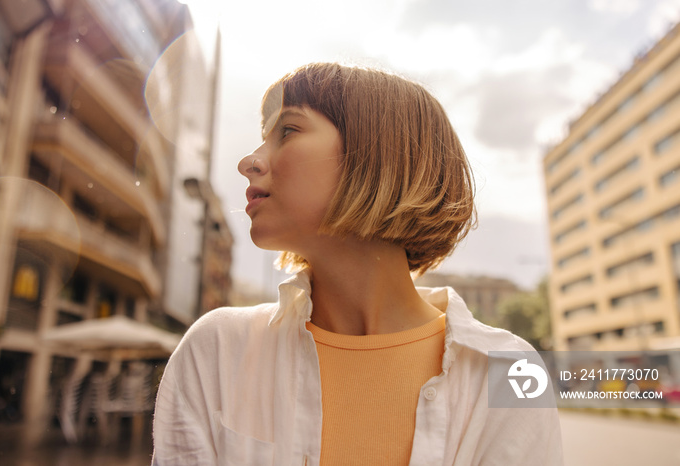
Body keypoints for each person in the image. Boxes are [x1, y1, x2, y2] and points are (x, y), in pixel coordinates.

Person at [152, 62, 563, 465]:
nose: (249, 162)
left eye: (288, 130)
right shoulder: (218, 351)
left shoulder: (510, 373)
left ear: (378, 153)